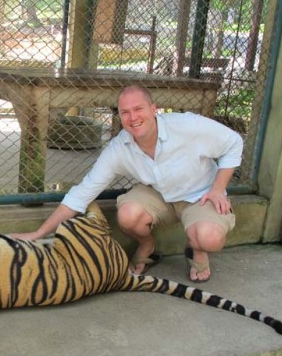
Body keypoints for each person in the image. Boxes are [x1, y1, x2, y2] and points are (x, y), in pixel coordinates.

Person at [12, 85, 243, 282]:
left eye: (139, 109)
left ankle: (198, 251)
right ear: (119, 117)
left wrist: (218, 188)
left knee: (209, 238)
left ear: (154, 109)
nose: (133, 118)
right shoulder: (119, 148)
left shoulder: (187, 126)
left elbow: (233, 142)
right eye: (125, 112)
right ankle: (147, 246)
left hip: (200, 196)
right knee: (128, 215)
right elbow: (82, 193)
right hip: (159, 195)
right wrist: (39, 233)